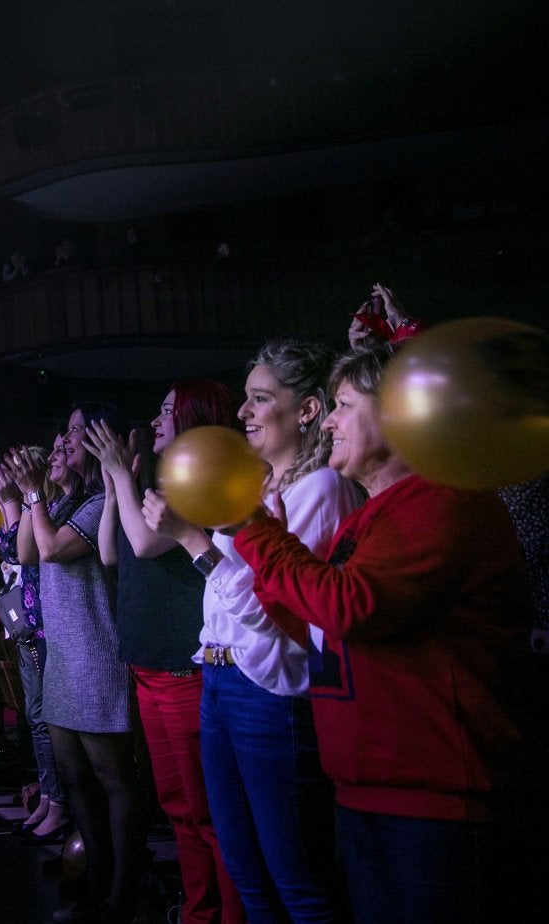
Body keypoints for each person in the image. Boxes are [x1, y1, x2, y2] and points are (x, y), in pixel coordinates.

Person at [228, 345, 546, 923]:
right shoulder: (369, 516)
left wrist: (255, 530)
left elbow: (354, 607)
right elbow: (326, 629)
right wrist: (277, 577)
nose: (328, 420)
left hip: (440, 807)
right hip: (370, 792)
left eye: (343, 404)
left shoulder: (445, 502)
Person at [143, 341, 362, 923]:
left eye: (260, 399)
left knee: (298, 882)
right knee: (246, 873)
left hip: (269, 695)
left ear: (308, 411)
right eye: (245, 399)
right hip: (219, 680)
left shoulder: (320, 491)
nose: (242, 414)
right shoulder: (257, 489)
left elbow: (279, 613)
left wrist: (194, 542)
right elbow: (225, 593)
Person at [82, 382, 246, 924]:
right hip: (149, 666)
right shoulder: (154, 480)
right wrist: (113, 481)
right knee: (178, 809)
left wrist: (123, 475)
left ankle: (226, 913)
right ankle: (199, 911)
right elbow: (110, 551)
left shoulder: (198, 479)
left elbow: (146, 543)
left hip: (183, 667)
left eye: (168, 411)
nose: (155, 418)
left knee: (208, 812)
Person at [6, 401, 142, 924]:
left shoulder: (98, 502)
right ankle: (96, 877)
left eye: (73, 437)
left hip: (96, 651)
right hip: (63, 654)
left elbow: (55, 549)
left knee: (112, 777)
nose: (61, 445)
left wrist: (38, 493)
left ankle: (121, 892)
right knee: (72, 772)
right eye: (60, 436)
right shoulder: (61, 502)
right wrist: (29, 494)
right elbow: (26, 551)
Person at [0, 440, 71, 844]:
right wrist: (9, 502)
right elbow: (10, 546)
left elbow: (26, 555)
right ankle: (50, 798)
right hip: (27, 623)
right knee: (36, 719)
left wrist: (19, 500)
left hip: (46, 626)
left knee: (45, 720)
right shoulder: (33, 507)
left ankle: (59, 802)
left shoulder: (53, 509)